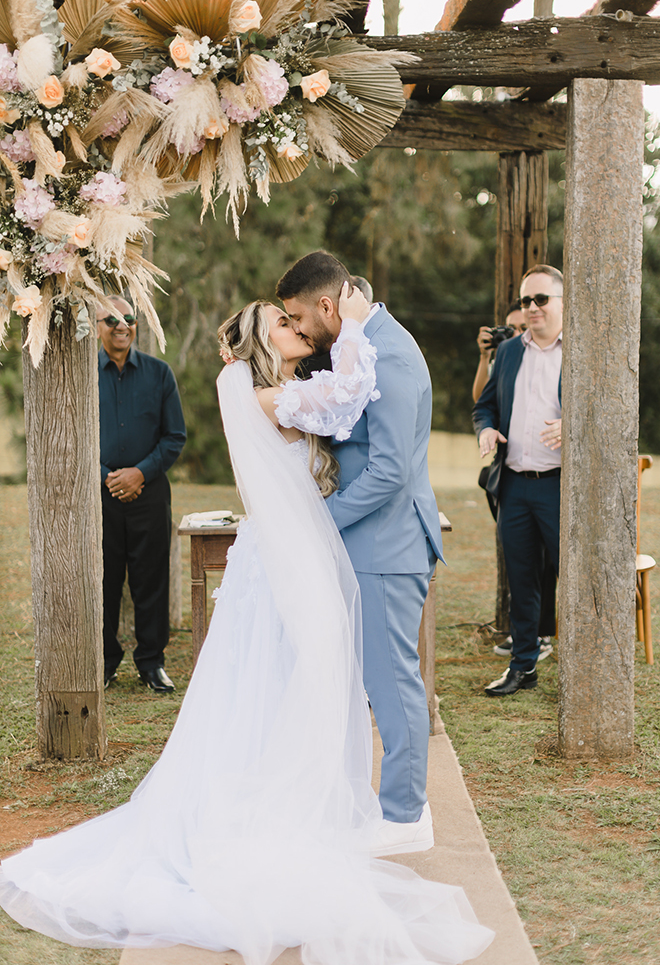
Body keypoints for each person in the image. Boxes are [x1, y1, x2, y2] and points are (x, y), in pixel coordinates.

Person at [0, 289, 494, 964]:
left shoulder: (277, 387)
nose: (294, 329)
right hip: (282, 564)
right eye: (281, 324)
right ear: (260, 343)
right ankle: (273, 816)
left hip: (287, 557)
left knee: (294, 683)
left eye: (295, 320)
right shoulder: (265, 396)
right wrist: (352, 323)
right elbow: (350, 398)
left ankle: (295, 809)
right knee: (283, 683)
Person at [277, 251, 444, 855]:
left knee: (392, 681)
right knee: (372, 680)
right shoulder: (358, 348)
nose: (299, 331)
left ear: (328, 305)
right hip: (366, 544)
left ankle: (405, 817)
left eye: (299, 319)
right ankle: (386, 807)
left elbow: (390, 472)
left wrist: (315, 521)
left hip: (387, 545)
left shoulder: (391, 357)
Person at [472, 265, 563, 697]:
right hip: (514, 484)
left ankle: (582, 669)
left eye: (540, 299)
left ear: (562, 302)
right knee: (522, 579)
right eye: (526, 300)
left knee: (573, 577)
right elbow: (484, 406)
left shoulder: (579, 353)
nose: (531, 308)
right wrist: (486, 430)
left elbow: (608, 411)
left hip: (561, 486)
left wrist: (573, 426)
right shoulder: (509, 353)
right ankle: (523, 666)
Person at [97, 297, 186, 693]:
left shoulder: (159, 374)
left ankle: (151, 663)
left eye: (129, 319)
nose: (122, 325)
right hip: (97, 498)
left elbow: (174, 437)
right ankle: (103, 662)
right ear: (97, 326)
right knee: (103, 580)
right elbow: (74, 439)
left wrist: (139, 474)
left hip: (149, 495)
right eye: (112, 319)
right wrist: (107, 478)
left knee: (151, 580)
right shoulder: (83, 376)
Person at [472, 301, 526, 404]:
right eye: (511, 329)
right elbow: (481, 400)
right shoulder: (502, 363)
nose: (517, 334)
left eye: (524, 328)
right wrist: (485, 356)